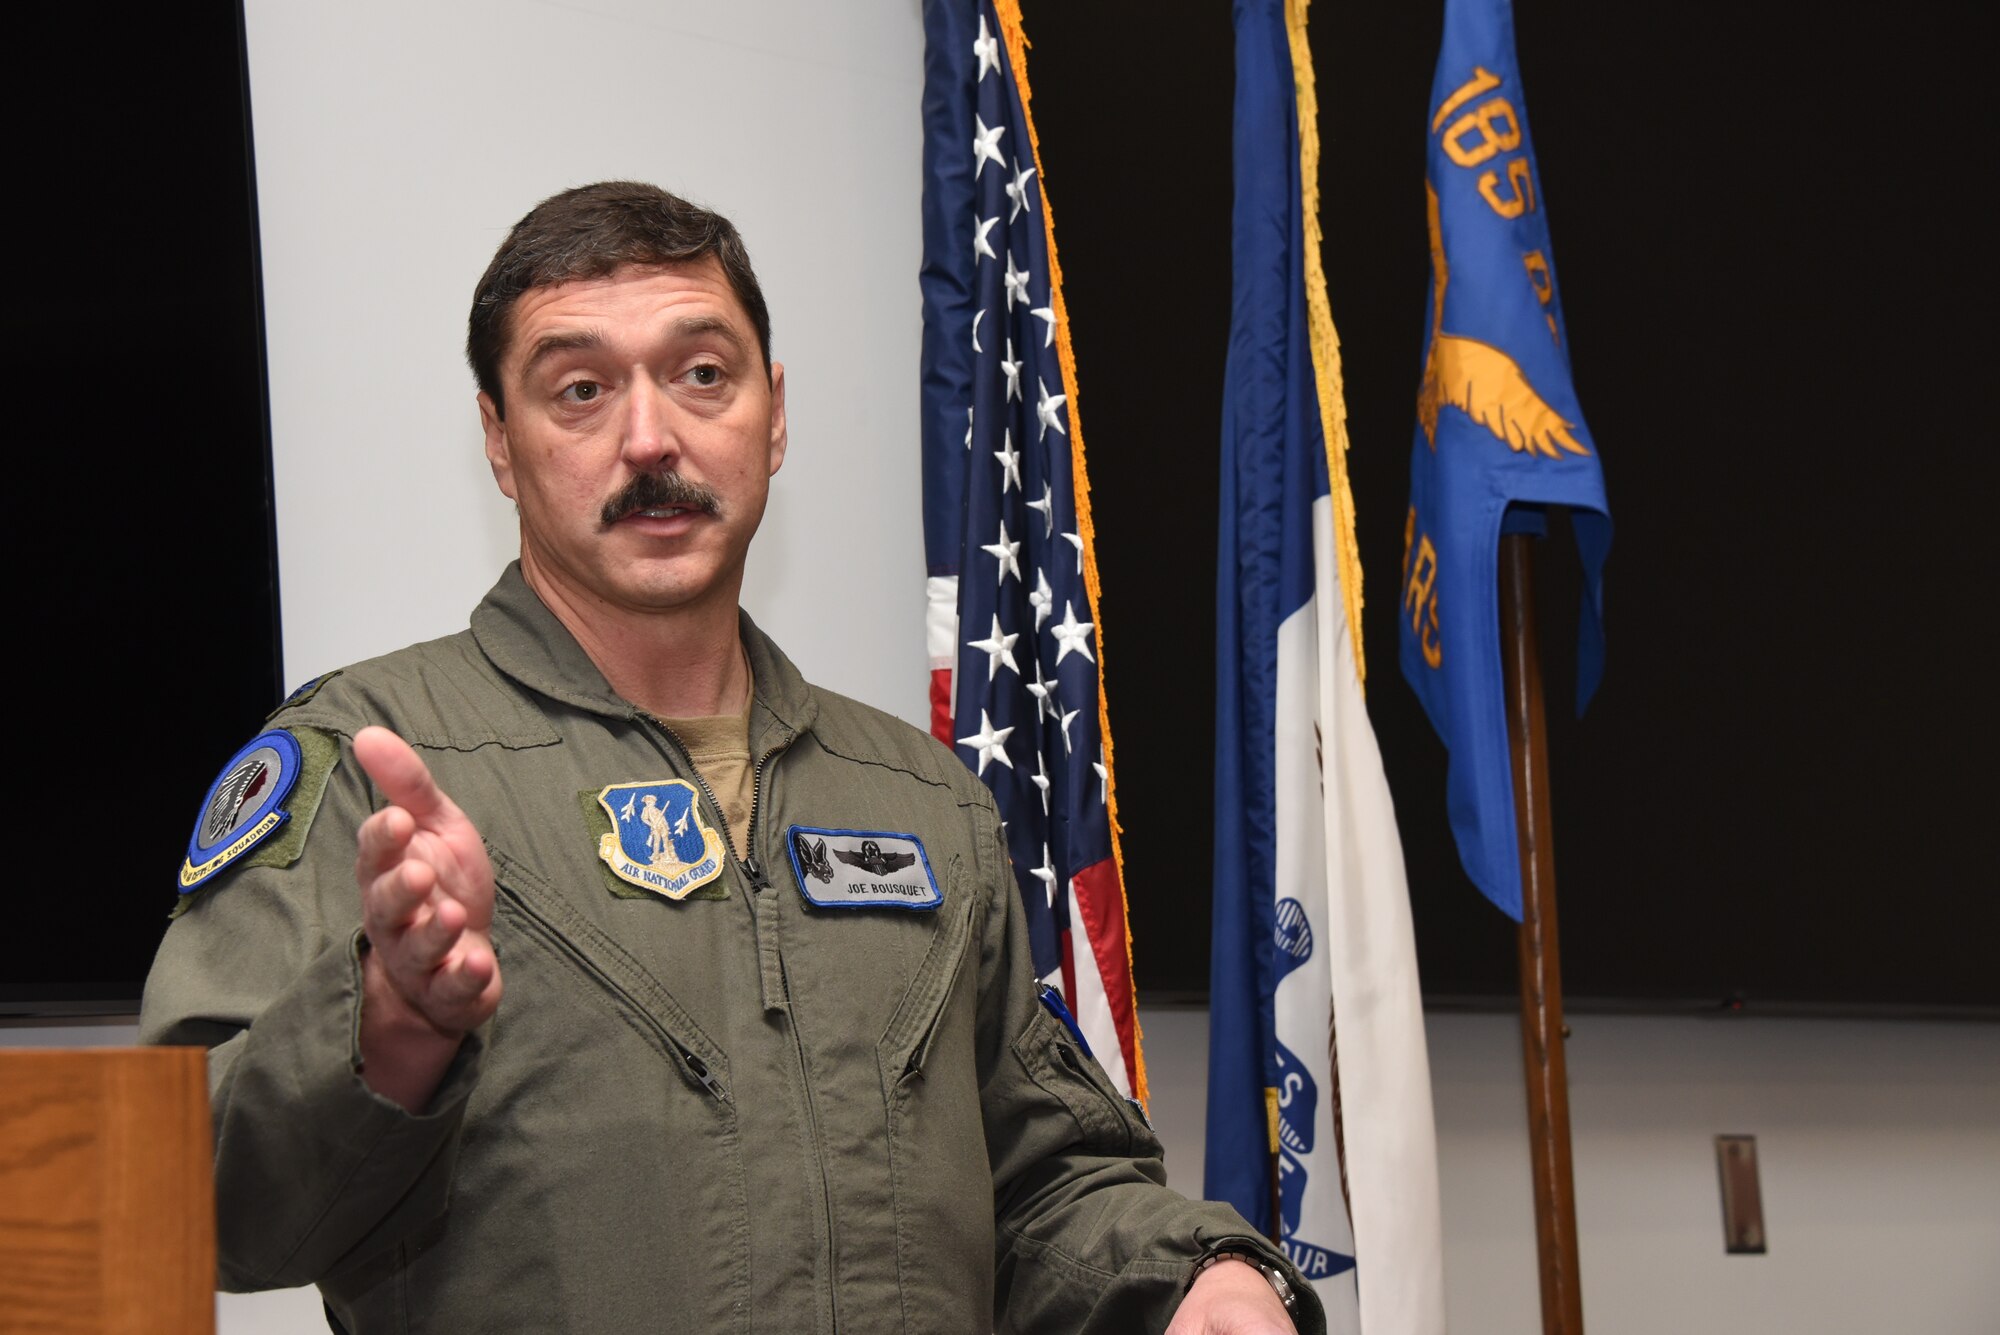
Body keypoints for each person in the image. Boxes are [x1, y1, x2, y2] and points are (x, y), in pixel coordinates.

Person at [143, 181, 1321, 1334]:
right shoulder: (372, 763)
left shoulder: (919, 800)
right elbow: (189, 1206)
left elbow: (1040, 1181)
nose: (650, 437)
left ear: (775, 412)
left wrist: (1193, 1275)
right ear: (500, 445)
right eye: (579, 390)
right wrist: (388, 1020)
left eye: (702, 375)